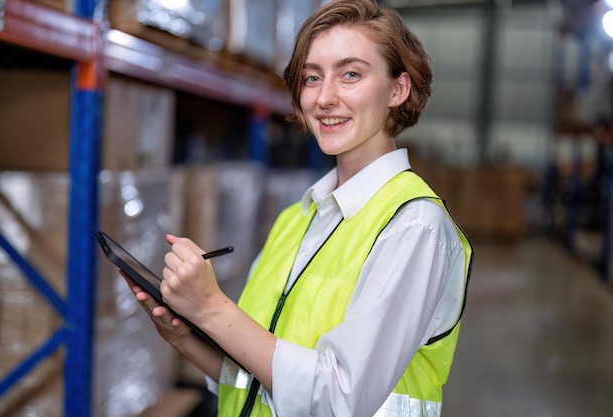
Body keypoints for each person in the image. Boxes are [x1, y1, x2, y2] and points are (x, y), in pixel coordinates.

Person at [123, 0, 473, 415]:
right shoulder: (297, 219)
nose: (325, 97)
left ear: (398, 89)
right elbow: (258, 379)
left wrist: (212, 308)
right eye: (312, 77)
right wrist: (184, 336)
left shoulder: (414, 225)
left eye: (350, 74)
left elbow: (337, 396)